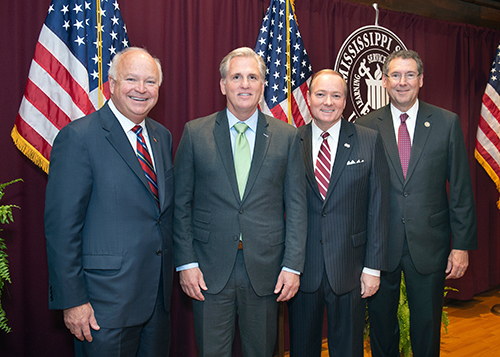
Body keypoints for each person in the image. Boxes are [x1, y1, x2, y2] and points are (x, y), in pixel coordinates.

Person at [173, 47, 307, 357]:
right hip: (207, 271)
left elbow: (297, 207)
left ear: (263, 86)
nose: (244, 84)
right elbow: (180, 205)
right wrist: (187, 263)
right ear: (223, 85)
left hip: (266, 271)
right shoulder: (195, 133)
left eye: (252, 77)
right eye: (236, 77)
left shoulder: (287, 137)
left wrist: (292, 266)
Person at [45, 47, 174, 356]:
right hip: (103, 306)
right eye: (131, 79)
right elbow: (63, 228)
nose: (141, 89)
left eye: (150, 82)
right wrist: (73, 300)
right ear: (112, 85)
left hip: (157, 300)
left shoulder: (162, 136)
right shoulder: (78, 138)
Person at [356, 49, 477, 357]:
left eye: (410, 75)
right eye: (395, 75)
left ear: (421, 79)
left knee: (426, 326)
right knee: (382, 327)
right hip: (381, 245)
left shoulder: (446, 122)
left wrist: (461, 245)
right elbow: (358, 190)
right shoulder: (366, 126)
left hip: (430, 243)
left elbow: (461, 187)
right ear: (384, 81)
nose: (402, 82)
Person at [287, 69, 390, 357]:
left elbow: (378, 208)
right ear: (308, 99)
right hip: (303, 270)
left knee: (348, 350)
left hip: (351, 269)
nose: (328, 102)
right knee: (302, 349)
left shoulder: (369, 140)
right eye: (321, 94)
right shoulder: (291, 141)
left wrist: (372, 268)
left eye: (336, 95)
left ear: (345, 101)